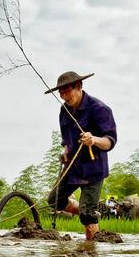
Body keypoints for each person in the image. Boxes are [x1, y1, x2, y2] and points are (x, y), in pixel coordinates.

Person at [45, 71, 117, 240]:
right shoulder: (64, 110)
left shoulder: (100, 109)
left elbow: (109, 141)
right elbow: (67, 141)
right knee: (54, 200)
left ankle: (90, 256)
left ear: (78, 87)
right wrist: (65, 153)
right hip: (73, 167)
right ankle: (86, 211)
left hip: (93, 168)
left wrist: (94, 140)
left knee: (87, 215)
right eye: (60, 93)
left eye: (66, 91)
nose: (63, 96)